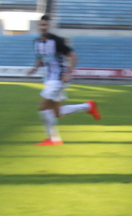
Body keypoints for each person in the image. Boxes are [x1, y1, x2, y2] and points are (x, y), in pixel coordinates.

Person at [26, 15, 100, 145]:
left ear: (50, 26)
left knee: (43, 107)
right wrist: (34, 68)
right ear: (38, 26)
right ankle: (88, 106)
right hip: (48, 80)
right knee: (56, 112)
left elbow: (73, 55)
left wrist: (68, 73)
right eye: (41, 25)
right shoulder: (36, 42)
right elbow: (41, 58)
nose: (43, 27)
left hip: (58, 79)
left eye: (45, 25)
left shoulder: (57, 41)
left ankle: (53, 139)